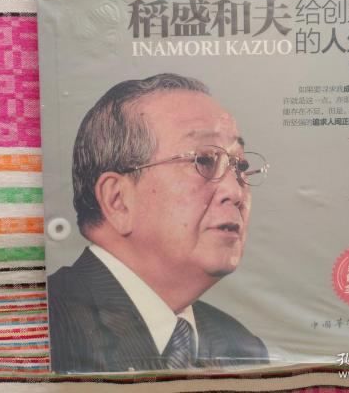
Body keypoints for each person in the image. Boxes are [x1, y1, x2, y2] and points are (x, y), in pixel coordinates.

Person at [48, 73, 269, 373]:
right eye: (204, 160)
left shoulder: (241, 346)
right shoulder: (46, 326)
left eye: (240, 165)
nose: (236, 192)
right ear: (118, 200)